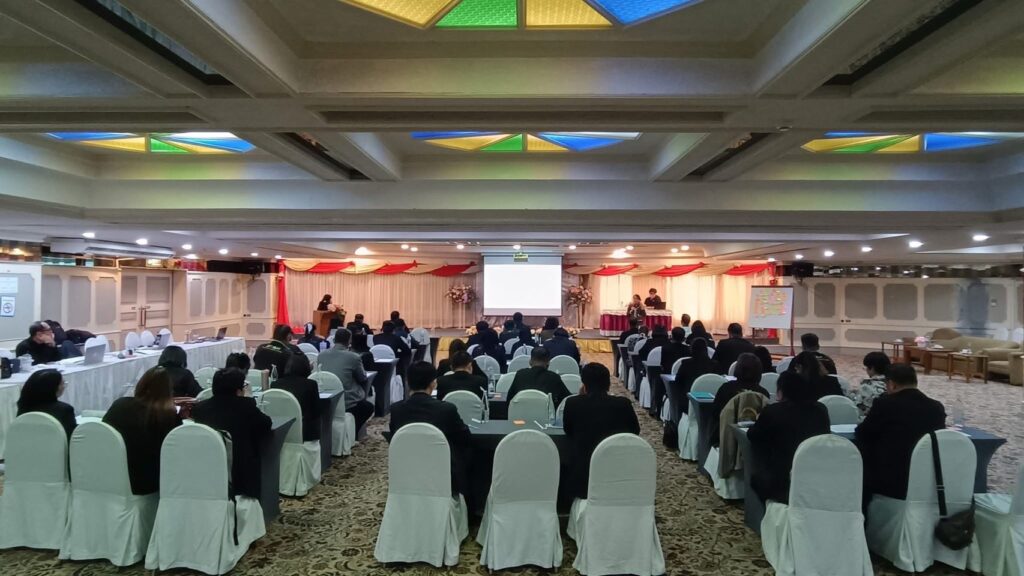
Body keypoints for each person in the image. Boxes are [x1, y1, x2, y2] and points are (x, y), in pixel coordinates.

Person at [855, 364, 946, 500]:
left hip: (890, 477)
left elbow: (863, 433)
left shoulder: (885, 404)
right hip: (926, 475)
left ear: (891, 384)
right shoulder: (936, 407)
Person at [388, 362, 471, 496]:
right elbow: (465, 438)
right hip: (443, 472)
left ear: (407, 382)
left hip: (407, 470)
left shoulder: (396, 409)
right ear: (433, 383)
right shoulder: (446, 409)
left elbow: (395, 439)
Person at [746, 371, 830, 504]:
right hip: (817, 475)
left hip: (780, 480)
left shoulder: (773, 411)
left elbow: (753, 435)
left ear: (781, 391)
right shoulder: (820, 410)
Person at [191, 368, 272, 499]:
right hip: (240, 472)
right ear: (238, 390)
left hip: (208, 467)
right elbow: (266, 424)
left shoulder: (200, 409)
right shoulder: (246, 407)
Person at [562, 363, 640, 498]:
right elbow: (634, 432)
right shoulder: (623, 404)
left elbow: (568, 431)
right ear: (608, 384)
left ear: (584, 384)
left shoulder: (572, 403)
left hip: (583, 476)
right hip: (618, 471)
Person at [103, 366, 182, 495]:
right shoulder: (169, 417)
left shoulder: (120, 405)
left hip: (111, 475)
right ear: (168, 391)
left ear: (141, 384)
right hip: (147, 484)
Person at [317, 329, 374, 432]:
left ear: (334, 340)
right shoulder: (353, 357)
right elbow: (362, 378)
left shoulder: (321, 355)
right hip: (348, 400)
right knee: (368, 407)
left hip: (325, 397)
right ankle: (352, 431)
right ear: (349, 341)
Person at [710, 353, 769, 447]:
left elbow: (715, 414)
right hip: (753, 442)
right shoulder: (763, 393)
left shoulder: (726, 388)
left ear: (738, 369)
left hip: (725, 440)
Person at [271, 354, 321, 442]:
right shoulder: (311, 384)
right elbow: (316, 411)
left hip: (282, 430)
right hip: (306, 432)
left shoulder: (275, 384)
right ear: (306, 367)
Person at [16, 369, 76, 438]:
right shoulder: (65, 410)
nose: (64, 387)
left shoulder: (23, 405)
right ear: (53, 387)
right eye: (62, 384)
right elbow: (71, 437)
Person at [506, 347, 571, 408]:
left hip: (521, 414)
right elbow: (567, 399)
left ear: (530, 361)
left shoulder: (520, 374)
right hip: (546, 415)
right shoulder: (554, 377)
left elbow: (509, 398)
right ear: (548, 363)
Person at [670, 338, 719, 415]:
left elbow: (677, 382)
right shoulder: (715, 365)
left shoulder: (686, 364)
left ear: (692, 349)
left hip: (688, 402)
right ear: (706, 350)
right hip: (711, 403)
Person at [848, 351, 891, 417]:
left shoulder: (866, 386)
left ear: (872, 368)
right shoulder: (893, 383)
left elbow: (859, 406)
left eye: (867, 368)